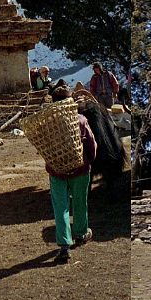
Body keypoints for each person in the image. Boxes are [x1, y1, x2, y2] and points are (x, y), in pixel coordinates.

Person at [48, 85, 97, 265]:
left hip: (56, 171)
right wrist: (90, 161)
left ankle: (64, 246)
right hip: (80, 169)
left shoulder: (48, 123)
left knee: (61, 208)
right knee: (79, 202)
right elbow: (92, 145)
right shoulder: (81, 120)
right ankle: (81, 234)